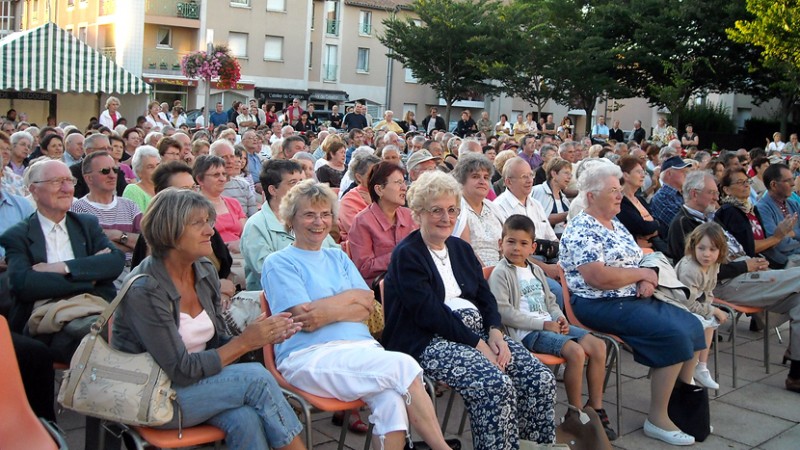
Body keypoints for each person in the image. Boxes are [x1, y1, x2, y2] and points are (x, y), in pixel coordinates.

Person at [262, 179, 458, 450]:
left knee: (391, 398)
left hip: (361, 351)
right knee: (404, 366)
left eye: (325, 214)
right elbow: (304, 319)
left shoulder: (338, 258)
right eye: (309, 214)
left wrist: (327, 308)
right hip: (310, 355)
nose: (318, 222)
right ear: (290, 219)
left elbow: (367, 303)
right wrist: (348, 302)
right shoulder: (279, 262)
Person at [112, 189, 306, 450]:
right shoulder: (145, 288)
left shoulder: (202, 270)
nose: (210, 231)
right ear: (169, 230)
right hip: (151, 394)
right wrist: (244, 343)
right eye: (198, 223)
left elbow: (216, 341)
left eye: (209, 221)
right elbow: (180, 370)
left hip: (197, 385)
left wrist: (259, 335)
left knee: (245, 418)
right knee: (256, 378)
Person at [382, 171, 556, 449]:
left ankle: (534, 446)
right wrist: (478, 344)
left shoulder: (461, 249)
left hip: (476, 335)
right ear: (418, 213)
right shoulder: (408, 255)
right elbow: (429, 314)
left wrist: (495, 332)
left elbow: (485, 298)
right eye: (436, 210)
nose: (446, 217)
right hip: (427, 339)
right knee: (494, 386)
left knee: (539, 379)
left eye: (452, 210)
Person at [560, 162, 705, 446]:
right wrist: (641, 274)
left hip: (632, 296)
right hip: (598, 303)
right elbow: (598, 278)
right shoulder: (582, 228)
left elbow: (639, 258)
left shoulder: (616, 225)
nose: (620, 196)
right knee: (673, 335)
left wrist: (648, 278)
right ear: (591, 196)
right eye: (613, 191)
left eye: (619, 190)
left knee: (692, 324)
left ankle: (678, 401)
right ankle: (658, 418)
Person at [489, 214, 614, 440]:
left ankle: (595, 408)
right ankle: (574, 415)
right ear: (501, 243)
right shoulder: (501, 273)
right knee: (575, 352)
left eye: (523, 243)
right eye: (511, 242)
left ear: (533, 247)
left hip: (549, 324)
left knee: (598, 346)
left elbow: (550, 302)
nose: (516, 248)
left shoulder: (535, 270)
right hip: (529, 333)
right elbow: (504, 313)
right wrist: (543, 324)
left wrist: (559, 318)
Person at [0, 160, 125, 359]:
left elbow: (115, 262)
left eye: (69, 181)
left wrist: (62, 267)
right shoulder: (18, 235)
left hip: (92, 307)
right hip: (45, 318)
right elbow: (23, 284)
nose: (67, 189)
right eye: (57, 182)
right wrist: (88, 278)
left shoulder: (86, 225)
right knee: (102, 337)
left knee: (133, 328)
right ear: (34, 190)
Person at [241, 160, 337, 291]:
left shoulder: (311, 219)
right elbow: (266, 272)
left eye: (303, 182)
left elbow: (335, 254)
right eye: (293, 183)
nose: (302, 188)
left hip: (326, 287)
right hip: (282, 298)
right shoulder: (256, 225)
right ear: (273, 190)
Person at [674, 223, 731, 390]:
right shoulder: (690, 269)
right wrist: (712, 310)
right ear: (693, 247)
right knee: (703, 321)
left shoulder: (713, 264)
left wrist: (709, 309)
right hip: (676, 305)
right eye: (702, 248)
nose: (707, 254)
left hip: (694, 305)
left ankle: (701, 367)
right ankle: (688, 371)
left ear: (720, 250)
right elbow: (686, 302)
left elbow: (709, 290)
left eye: (713, 249)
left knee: (710, 321)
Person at [349, 162, 416, 287]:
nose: (404, 188)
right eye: (398, 183)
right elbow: (364, 268)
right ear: (379, 189)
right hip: (382, 288)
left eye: (404, 182)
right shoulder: (362, 222)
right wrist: (401, 255)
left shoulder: (410, 216)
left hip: (412, 279)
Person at [451, 153, 504, 266]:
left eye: (485, 177)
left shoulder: (494, 208)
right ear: (461, 181)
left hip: (502, 269)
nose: (482, 181)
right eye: (475, 176)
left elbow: (506, 245)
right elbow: (466, 251)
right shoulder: (457, 208)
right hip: (473, 270)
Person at [194, 155, 246, 257]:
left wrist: (240, 244)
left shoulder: (233, 203)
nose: (222, 179)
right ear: (200, 180)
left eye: (224, 174)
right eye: (216, 175)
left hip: (239, 255)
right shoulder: (195, 207)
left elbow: (246, 235)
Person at [616, 155, 670, 254]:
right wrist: (655, 225)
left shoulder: (639, 199)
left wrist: (654, 226)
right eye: (638, 172)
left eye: (643, 172)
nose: (643, 175)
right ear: (625, 175)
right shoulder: (620, 201)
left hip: (655, 246)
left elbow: (659, 224)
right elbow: (643, 227)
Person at [755, 163, 800, 267]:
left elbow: (784, 238)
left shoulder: (793, 204)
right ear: (774, 185)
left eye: (792, 179)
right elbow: (779, 244)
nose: (793, 183)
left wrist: (793, 233)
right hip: (787, 259)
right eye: (788, 180)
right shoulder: (762, 208)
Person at [338, 154, 380, 242]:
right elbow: (358, 233)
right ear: (359, 177)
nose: (378, 178)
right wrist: (373, 206)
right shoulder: (349, 200)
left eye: (380, 173)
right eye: (372, 174)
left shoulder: (386, 193)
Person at [531, 158, 571, 238]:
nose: (569, 177)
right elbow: (542, 219)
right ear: (554, 174)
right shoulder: (540, 191)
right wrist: (569, 214)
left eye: (570, 174)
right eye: (566, 173)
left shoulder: (563, 198)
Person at [122, 145, 160, 212]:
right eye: (150, 167)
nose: (156, 170)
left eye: (158, 165)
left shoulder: (164, 188)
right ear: (139, 171)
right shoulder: (133, 190)